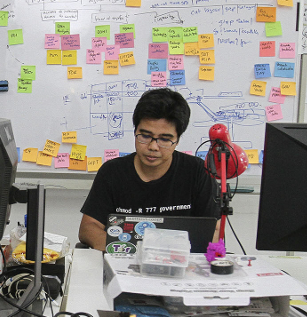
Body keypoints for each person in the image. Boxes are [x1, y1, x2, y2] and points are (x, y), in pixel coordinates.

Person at [78, 88, 219, 251]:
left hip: (180, 266)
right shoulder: (112, 172)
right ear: (135, 131)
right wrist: (132, 251)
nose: (153, 147)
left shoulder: (197, 171)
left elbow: (214, 231)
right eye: (145, 136)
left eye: (165, 139)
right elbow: (88, 229)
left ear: (178, 139)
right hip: (124, 264)